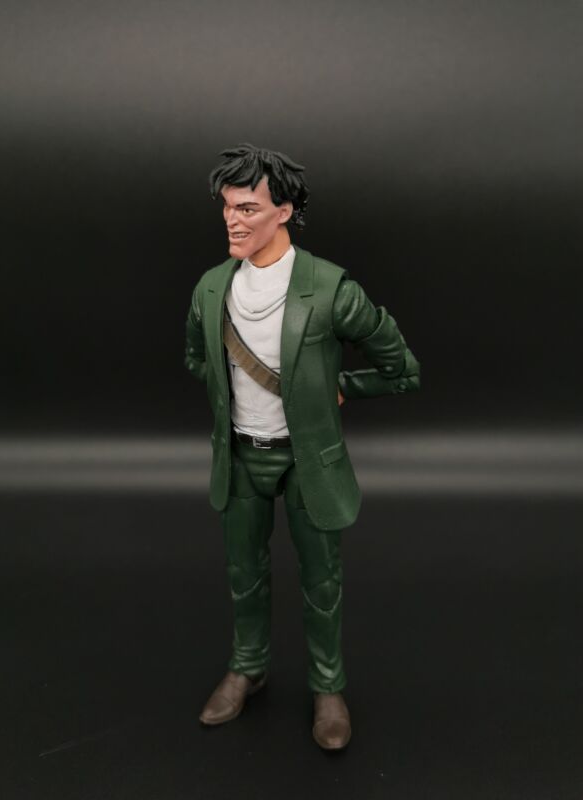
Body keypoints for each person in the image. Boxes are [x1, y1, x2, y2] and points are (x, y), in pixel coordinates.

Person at [185, 143, 420, 750]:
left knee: (322, 580)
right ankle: (248, 666)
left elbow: (401, 369)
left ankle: (328, 685)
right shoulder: (212, 288)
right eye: (227, 207)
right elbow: (197, 359)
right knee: (243, 572)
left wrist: (339, 389)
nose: (233, 219)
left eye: (248, 208)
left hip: (305, 459)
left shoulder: (330, 288)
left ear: (284, 211)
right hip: (241, 456)